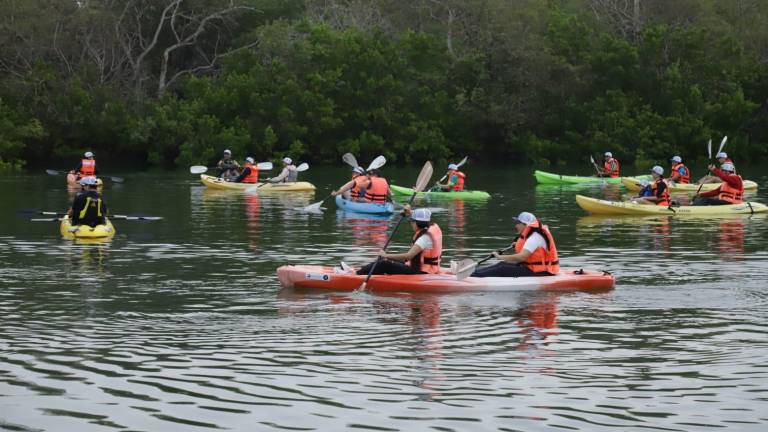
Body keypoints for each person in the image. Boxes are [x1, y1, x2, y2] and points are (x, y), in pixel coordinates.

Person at [355, 207, 442, 275]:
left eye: (411, 221)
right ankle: (363, 270)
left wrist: (386, 255)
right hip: (423, 266)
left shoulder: (424, 238)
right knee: (385, 260)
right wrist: (409, 212)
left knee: (384, 264)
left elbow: (408, 256)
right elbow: (423, 216)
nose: (411, 223)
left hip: (420, 271)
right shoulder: (434, 227)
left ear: (416, 223)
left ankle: (356, 274)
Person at [471, 212, 559, 278]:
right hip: (533, 268)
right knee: (501, 264)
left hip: (542, 272)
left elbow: (521, 257)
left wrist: (499, 256)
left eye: (518, 223)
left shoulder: (535, 237)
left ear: (525, 225)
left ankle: (472, 277)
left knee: (502, 268)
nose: (515, 225)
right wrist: (517, 245)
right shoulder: (531, 234)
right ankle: (473, 274)